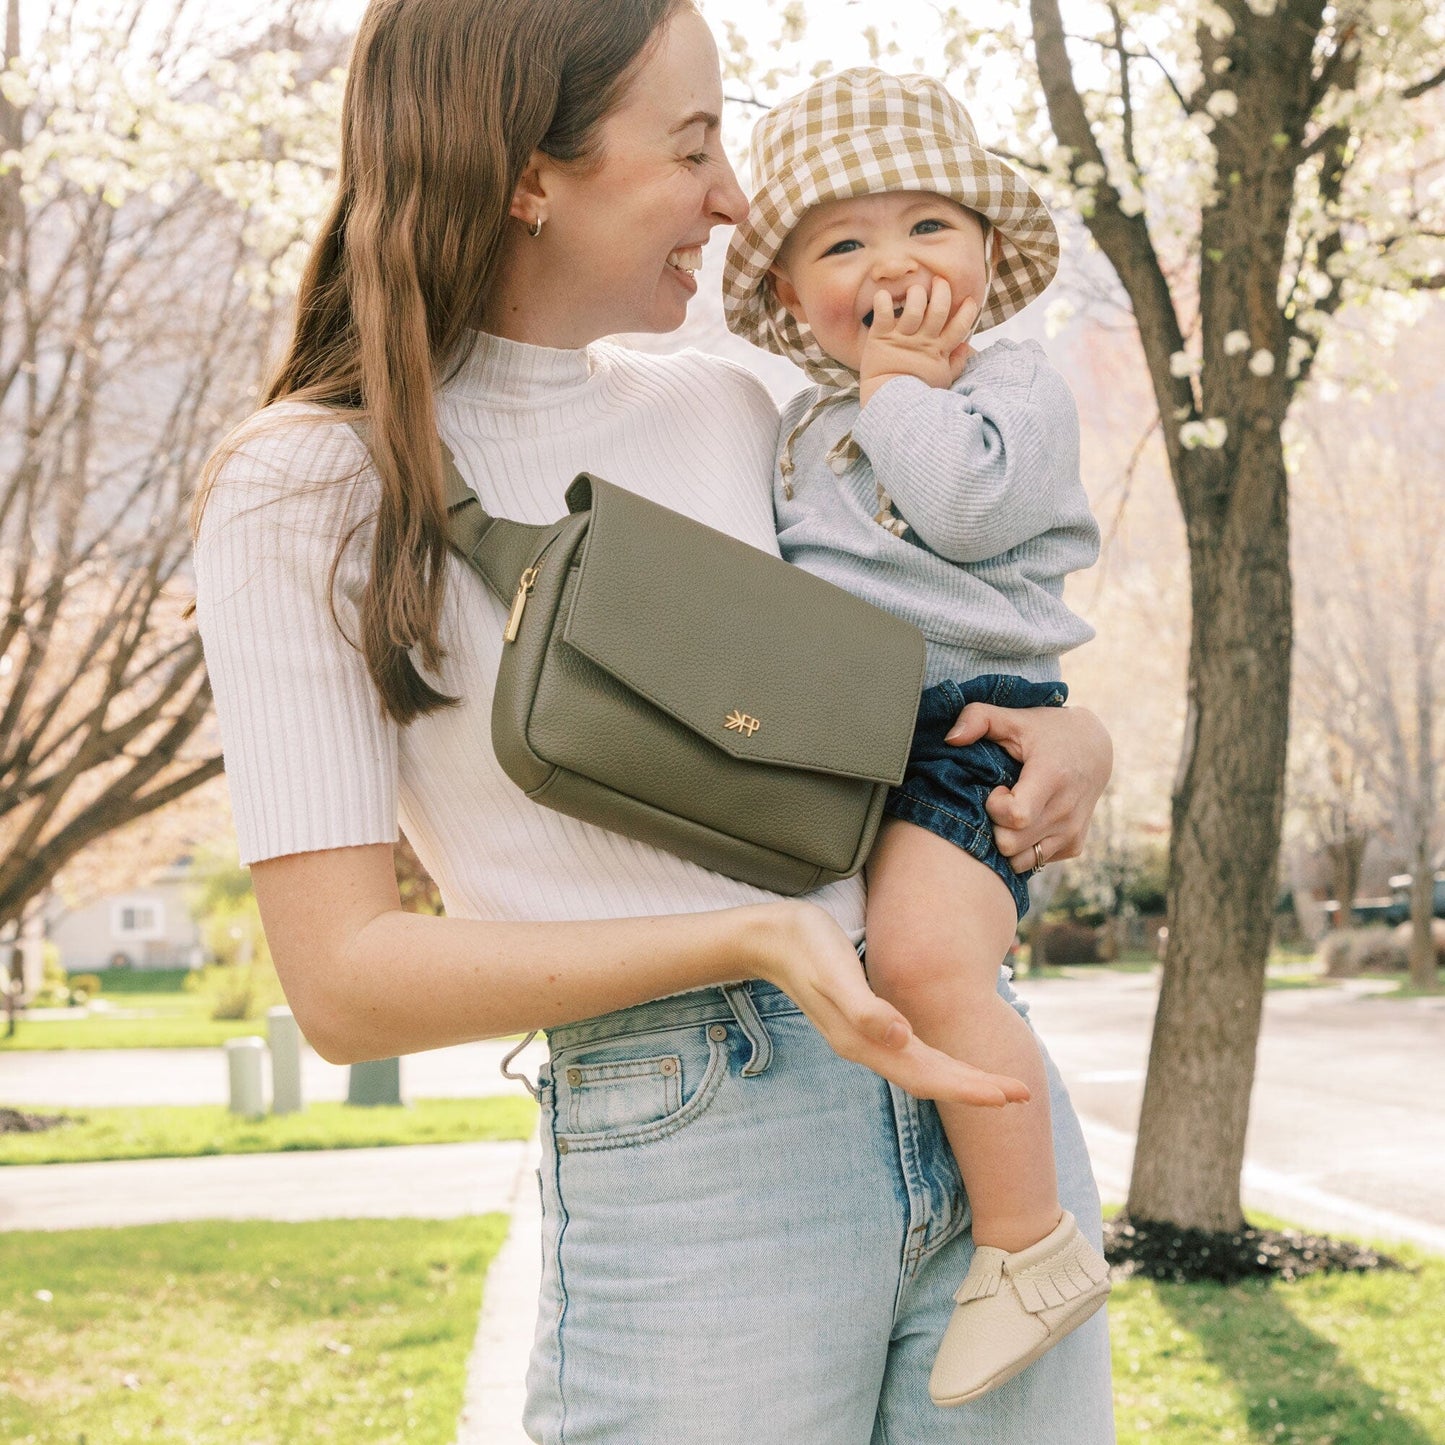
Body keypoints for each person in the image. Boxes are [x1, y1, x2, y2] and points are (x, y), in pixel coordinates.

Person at [190, 2, 1116, 1440]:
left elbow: (916, 661)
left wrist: (1071, 738)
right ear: (527, 174)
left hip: (985, 1128)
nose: (736, 201)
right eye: (692, 149)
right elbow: (347, 986)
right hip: (701, 1162)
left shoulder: (738, 409)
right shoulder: (310, 486)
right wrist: (746, 938)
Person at [721, 68, 1110, 1405]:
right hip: (856, 733)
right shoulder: (801, 426)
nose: (892, 264)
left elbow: (961, 508)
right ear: (791, 296)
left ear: (989, 255)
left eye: (928, 226)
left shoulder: (1013, 383)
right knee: (879, 949)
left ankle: (1028, 1244)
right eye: (843, 244)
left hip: (969, 727)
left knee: (931, 960)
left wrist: (897, 385)